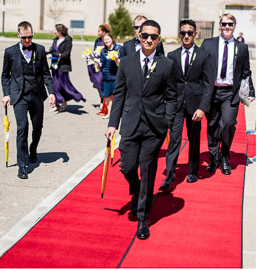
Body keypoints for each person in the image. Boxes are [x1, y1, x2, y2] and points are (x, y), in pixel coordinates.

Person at [106, 19, 177, 240]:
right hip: (130, 123)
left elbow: (172, 97)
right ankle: (136, 190)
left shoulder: (167, 65)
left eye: (153, 37)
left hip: (154, 128)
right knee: (127, 168)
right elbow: (119, 95)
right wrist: (112, 124)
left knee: (148, 171)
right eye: (145, 36)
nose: (148, 40)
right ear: (139, 36)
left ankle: (143, 217)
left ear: (158, 39)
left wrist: (167, 121)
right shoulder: (126, 62)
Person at [160, 20, 213, 192]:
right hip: (176, 106)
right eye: (183, 33)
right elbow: (169, 83)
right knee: (174, 140)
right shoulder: (172, 56)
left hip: (195, 107)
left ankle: (193, 171)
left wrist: (202, 107)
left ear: (195, 34)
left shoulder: (204, 56)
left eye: (190, 33)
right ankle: (169, 177)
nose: (187, 36)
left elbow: (208, 84)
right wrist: (167, 105)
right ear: (180, 34)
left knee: (194, 140)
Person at [1, 21, 56, 179]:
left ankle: (33, 149)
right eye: (24, 37)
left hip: (37, 94)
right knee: (22, 128)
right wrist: (6, 94)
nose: (27, 40)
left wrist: (51, 92)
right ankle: (22, 165)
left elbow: (46, 73)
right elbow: (5, 76)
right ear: (18, 35)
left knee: (37, 127)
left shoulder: (40, 49)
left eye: (30, 37)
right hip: (19, 96)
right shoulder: (10, 52)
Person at [202, 14, 255, 175]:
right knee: (212, 126)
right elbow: (201, 68)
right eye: (224, 23)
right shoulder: (208, 44)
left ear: (235, 26)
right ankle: (212, 158)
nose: (227, 27)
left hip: (230, 93)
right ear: (219, 25)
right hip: (211, 92)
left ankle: (225, 155)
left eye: (230, 24)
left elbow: (246, 72)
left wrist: (250, 91)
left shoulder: (242, 48)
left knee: (228, 124)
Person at [49, 24, 86, 112]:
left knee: (63, 86)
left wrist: (53, 55)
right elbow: (51, 51)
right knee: (55, 85)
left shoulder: (68, 40)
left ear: (59, 31)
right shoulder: (55, 40)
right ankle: (58, 104)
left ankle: (73, 97)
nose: (54, 31)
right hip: (55, 67)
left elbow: (66, 54)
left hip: (63, 67)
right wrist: (45, 53)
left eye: (55, 30)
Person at [96, 33, 123, 118]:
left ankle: (117, 114)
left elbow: (125, 60)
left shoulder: (119, 48)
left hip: (117, 76)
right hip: (106, 76)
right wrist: (97, 64)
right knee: (107, 95)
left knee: (117, 96)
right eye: (105, 40)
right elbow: (102, 63)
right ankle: (109, 113)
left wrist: (118, 61)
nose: (107, 41)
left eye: (108, 39)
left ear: (112, 38)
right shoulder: (103, 51)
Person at [89, 24, 110, 102]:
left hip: (105, 66)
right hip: (97, 65)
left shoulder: (108, 39)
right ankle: (101, 100)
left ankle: (104, 102)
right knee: (98, 83)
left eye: (99, 31)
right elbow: (94, 51)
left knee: (103, 83)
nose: (97, 32)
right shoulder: (97, 41)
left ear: (103, 32)